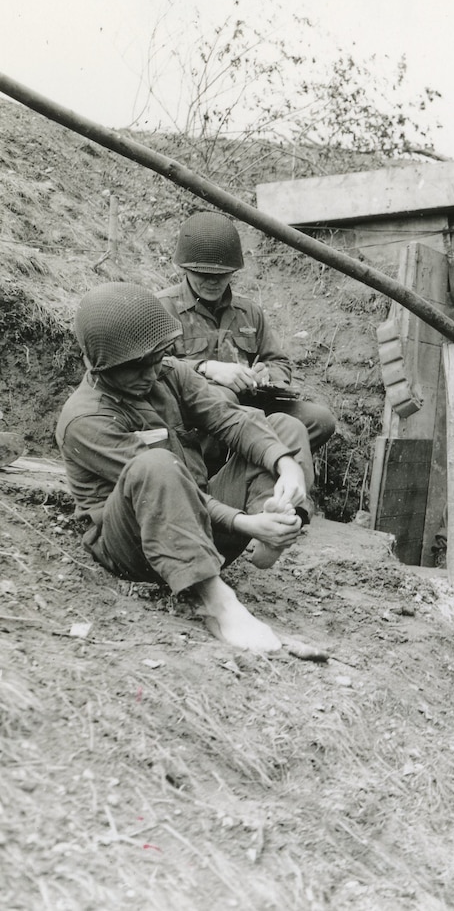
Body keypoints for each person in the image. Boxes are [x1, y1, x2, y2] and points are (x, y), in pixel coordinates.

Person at [56, 282, 314, 653]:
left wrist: (287, 466)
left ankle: (275, 525)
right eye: (136, 367)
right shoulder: (86, 419)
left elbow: (231, 419)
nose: (151, 373)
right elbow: (170, 488)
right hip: (137, 546)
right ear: (100, 367)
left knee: (282, 430)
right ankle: (217, 603)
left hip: (197, 522)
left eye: (156, 359)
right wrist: (242, 522)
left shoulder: (165, 372)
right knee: (157, 465)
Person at [156, 211, 337, 459]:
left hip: (246, 406)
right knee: (223, 397)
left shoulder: (249, 312)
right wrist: (207, 368)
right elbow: (154, 367)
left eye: (221, 275)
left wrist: (265, 376)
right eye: (203, 274)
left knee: (319, 420)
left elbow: (279, 362)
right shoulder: (162, 308)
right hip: (190, 411)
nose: (212, 282)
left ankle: (249, 471)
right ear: (185, 269)